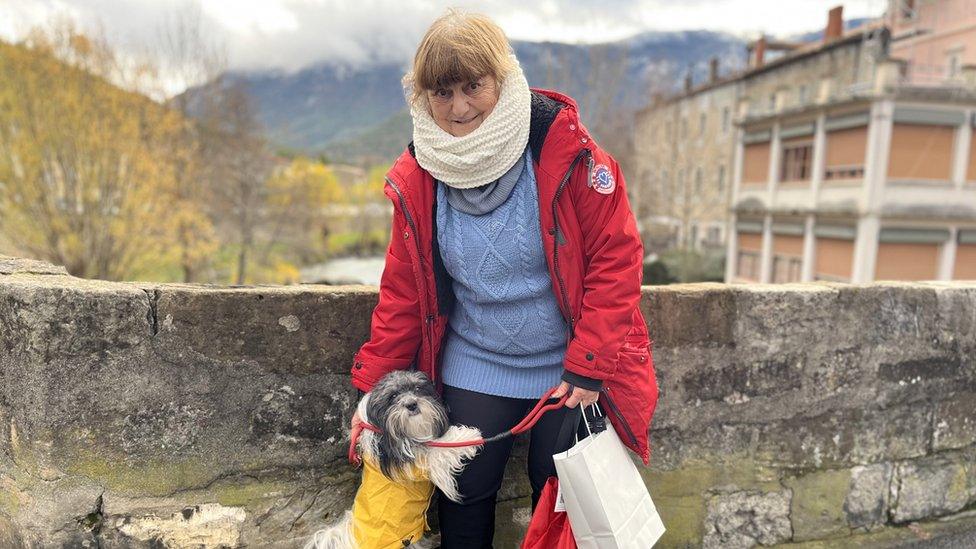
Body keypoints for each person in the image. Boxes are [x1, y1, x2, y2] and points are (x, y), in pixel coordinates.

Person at [348, 9, 658, 547]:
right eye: (442, 93)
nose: (460, 107)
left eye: (473, 86)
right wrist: (370, 394)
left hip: (567, 368)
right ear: (423, 99)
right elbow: (403, 292)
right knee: (463, 492)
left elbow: (617, 261)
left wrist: (589, 365)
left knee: (559, 494)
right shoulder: (421, 177)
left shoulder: (568, 156)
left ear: (502, 79)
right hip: (477, 361)